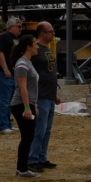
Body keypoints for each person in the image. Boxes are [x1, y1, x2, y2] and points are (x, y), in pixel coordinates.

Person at [28, 22, 61, 172]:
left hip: (49, 95)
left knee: (47, 130)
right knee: (39, 130)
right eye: (51, 31)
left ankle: (42, 157)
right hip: (40, 96)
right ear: (42, 33)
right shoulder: (35, 49)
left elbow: (50, 73)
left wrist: (55, 94)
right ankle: (32, 159)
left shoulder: (48, 49)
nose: (53, 34)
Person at [9, 34, 40, 178]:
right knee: (27, 137)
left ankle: (21, 168)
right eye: (35, 44)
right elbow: (23, 88)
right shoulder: (22, 64)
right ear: (28, 47)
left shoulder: (28, 62)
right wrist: (27, 108)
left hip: (27, 104)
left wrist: (34, 106)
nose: (37, 46)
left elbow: (32, 88)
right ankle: (22, 170)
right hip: (21, 104)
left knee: (28, 136)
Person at [0, 18, 23, 133]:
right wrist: (6, 69)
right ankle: (2, 125)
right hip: (3, 73)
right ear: (11, 27)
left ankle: (8, 122)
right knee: (5, 99)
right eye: (19, 26)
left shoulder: (14, 39)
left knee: (11, 99)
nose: (20, 29)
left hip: (12, 72)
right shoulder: (4, 36)